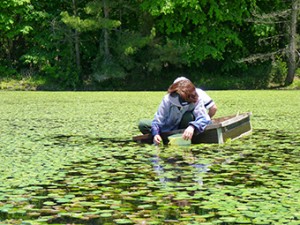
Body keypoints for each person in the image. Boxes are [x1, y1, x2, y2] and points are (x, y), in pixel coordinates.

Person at [138, 77, 212, 145]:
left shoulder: (196, 99)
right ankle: (160, 138)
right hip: (166, 128)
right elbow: (158, 120)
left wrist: (192, 127)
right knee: (143, 124)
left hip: (184, 128)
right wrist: (156, 134)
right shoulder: (167, 99)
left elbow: (204, 118)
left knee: (188, 116)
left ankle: (185, 136)